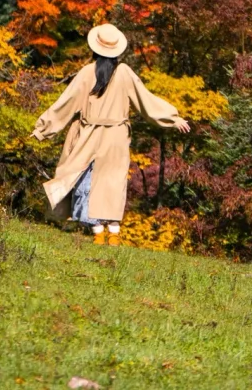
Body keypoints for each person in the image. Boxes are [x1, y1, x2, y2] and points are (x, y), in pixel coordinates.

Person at [32, 23, 190, 241]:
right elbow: (146, 99)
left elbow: (66, 103)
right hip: (116, 137)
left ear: (95, 48)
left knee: (85, 179)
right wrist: (172, 118)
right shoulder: (124, 72)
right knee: (113, 183)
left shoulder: (86, 73)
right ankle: (114, 236)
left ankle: (97, 234)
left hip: (89, 134)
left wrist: (43, 127)